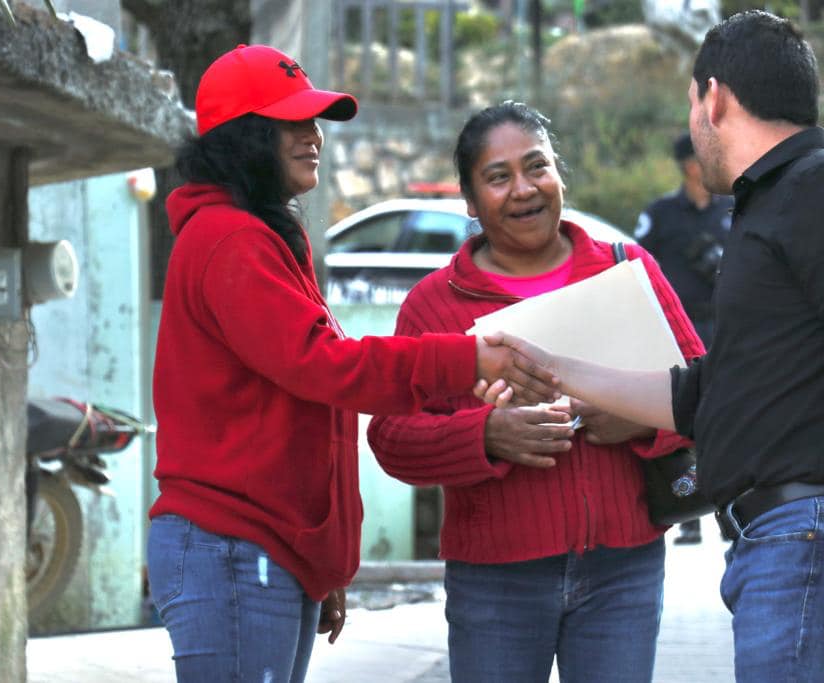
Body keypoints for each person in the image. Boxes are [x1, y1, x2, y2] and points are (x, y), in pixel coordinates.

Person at [492, 11, 824, 681]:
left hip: (817, 529)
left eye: (692, 103)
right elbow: (706, 394)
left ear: (713, 97)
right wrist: (552, 368)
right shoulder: (772, 203)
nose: (693, 123)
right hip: (788, 538)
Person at [147, 46, 558, 683]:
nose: (314, 137)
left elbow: (305, 400)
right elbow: (325, 366)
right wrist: (467, 356)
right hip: (233, 551)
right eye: (293, 122)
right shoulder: (229, 239)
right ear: (244, 137)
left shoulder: (258, 235)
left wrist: (318, 565)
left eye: (314, 122)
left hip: (263, 554)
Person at [367, 101, 705, 683]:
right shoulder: (435, 304)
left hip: (623, 570)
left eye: (537, 167)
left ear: (559, 176)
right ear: (471, 203)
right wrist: (486, 436)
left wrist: (641, 419)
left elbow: (710, 395)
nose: (523, 189)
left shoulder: (627, 271)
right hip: (494, 580)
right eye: (498, 177)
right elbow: (392, 439)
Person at [634, 132, 733, 545]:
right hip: (676, 332)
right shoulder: (660, 214)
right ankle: (689, 509)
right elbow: (633, 266)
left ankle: (731, 509)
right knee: (683, 419)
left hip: (724, 327)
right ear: (691, 164)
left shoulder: (732, 209)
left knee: (728, 419)